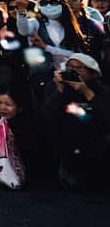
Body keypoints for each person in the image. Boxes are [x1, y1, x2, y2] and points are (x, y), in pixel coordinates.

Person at [41, 53, 109, 191]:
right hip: (66, 142)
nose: (73, 71)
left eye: (79, 68)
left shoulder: (102, 90)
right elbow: (47, 116)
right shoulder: (56, 86)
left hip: (96, 142)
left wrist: (87, 93)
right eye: (70, 67)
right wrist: (59, 91)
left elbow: (105, 117)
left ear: (93, 74)